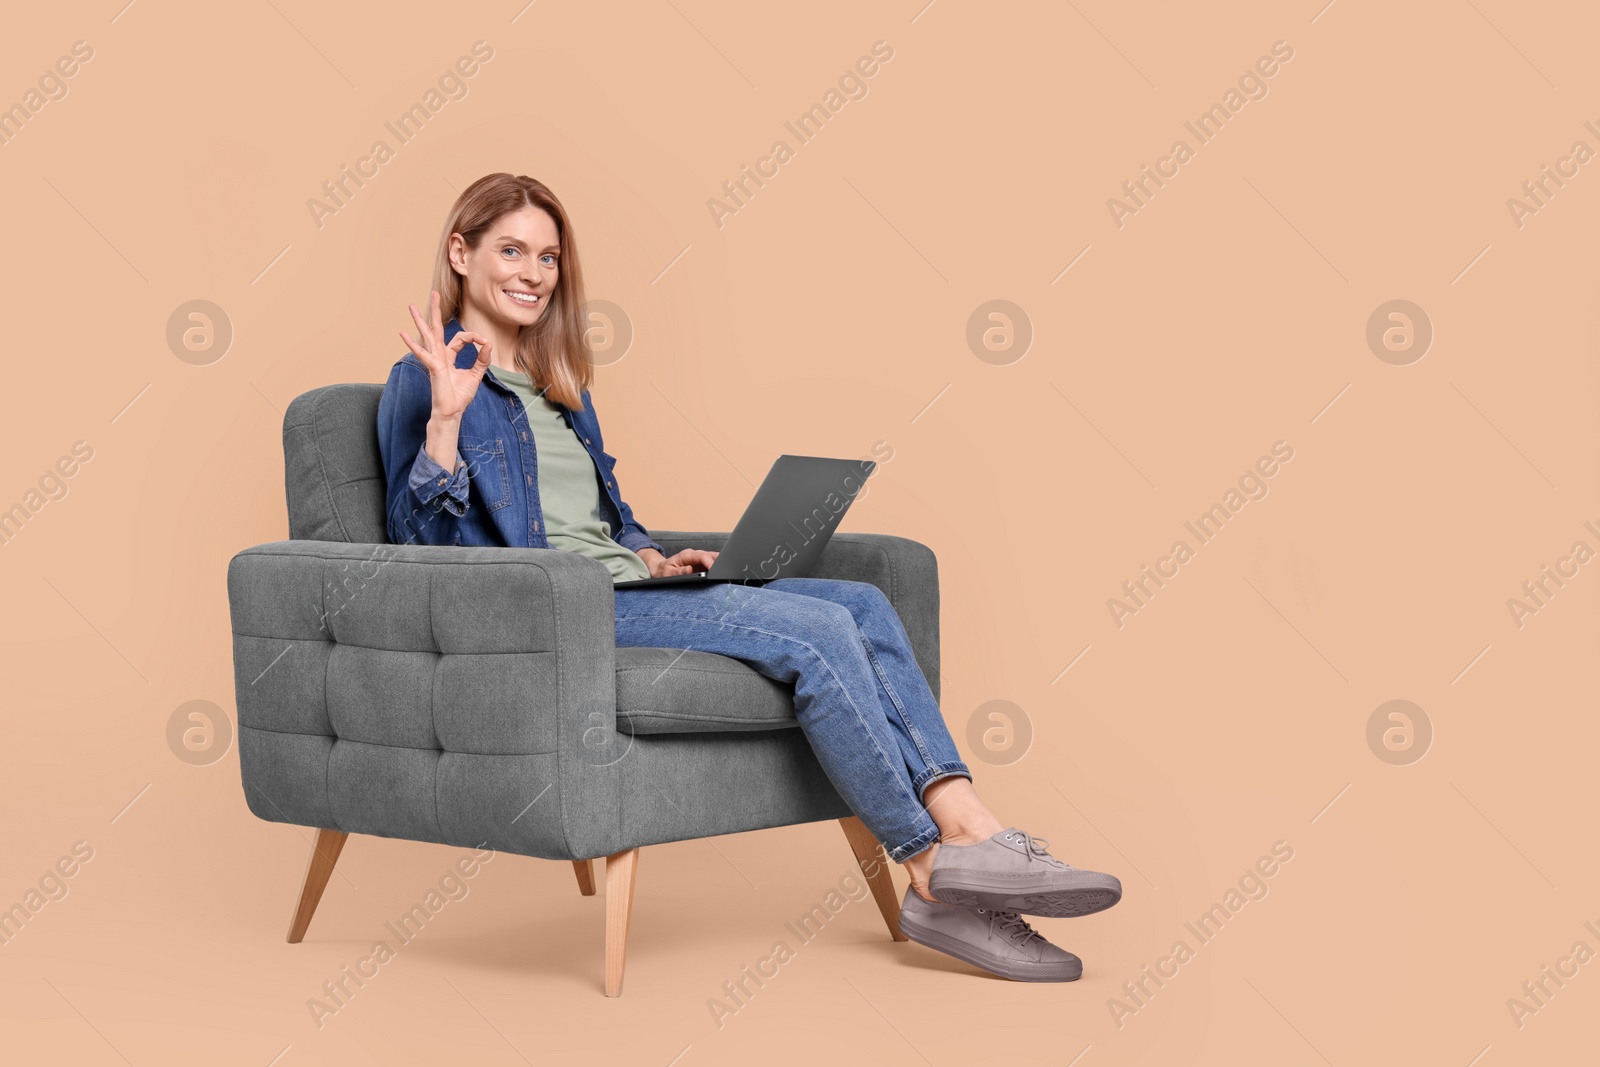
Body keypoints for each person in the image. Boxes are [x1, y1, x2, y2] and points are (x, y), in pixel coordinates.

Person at [375, 172, 1122, 983]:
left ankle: (969, 831)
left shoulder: (563, 385)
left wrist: (658, 558)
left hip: (633, 587)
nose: (532, 272)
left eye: (548, 256)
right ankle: (934, 868)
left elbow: (609, 519)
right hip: (560, 610)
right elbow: (418, 550)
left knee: (863, 602)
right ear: (461, 252)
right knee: (818, 631)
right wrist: (446, 418)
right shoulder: (426, 377)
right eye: (511, 250)